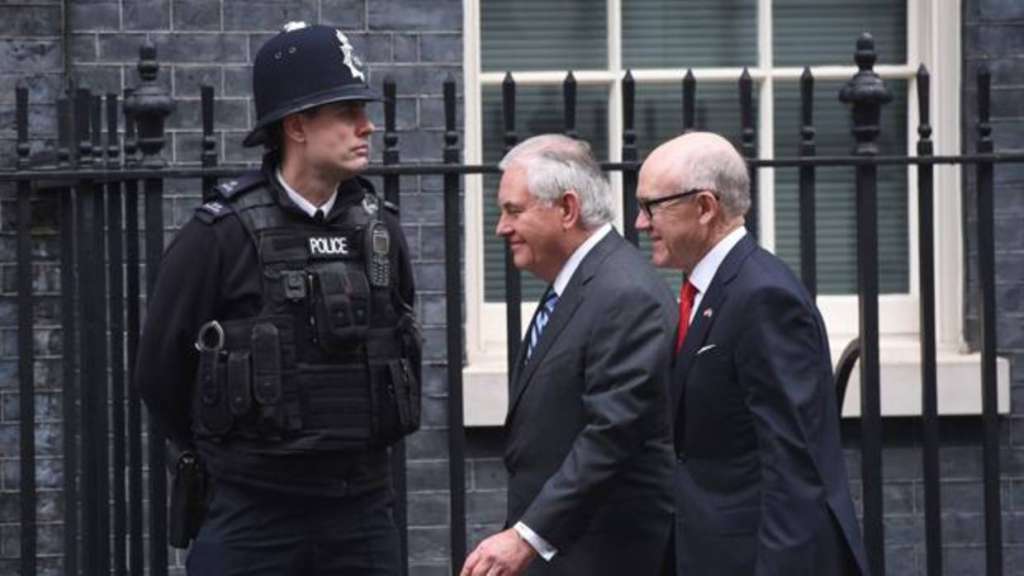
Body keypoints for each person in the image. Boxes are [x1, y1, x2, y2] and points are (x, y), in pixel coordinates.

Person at [135, 22, 420, 576]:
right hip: (252, 514)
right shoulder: (219, 236)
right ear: (296, 126)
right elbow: (158, 374)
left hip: (360, 512)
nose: (367, 126)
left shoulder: (380, 231)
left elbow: (400, 339)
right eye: (346, 112)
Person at [635, 132, 869, 576]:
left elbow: (793, 464)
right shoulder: (709, 288)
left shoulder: (763, 296)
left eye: (652, 206)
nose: (640, 223)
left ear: (705, 207)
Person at [461, 134, 677, 576]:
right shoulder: (579, 284)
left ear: (567, 209)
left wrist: (527, 537)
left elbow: (611, 435)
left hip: (604, 556)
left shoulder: (624, 293)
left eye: (514, 210)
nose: (502, 227)